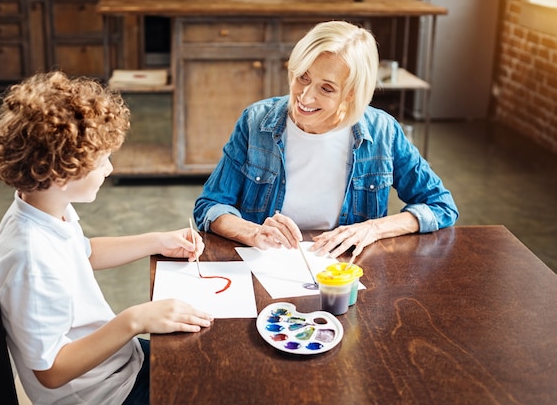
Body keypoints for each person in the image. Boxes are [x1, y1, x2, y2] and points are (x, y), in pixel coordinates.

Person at [0, 71, 213, 405]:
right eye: (101, 159)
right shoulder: (30, 257)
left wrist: (156, 241)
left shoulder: (42, 207)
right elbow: (51, 372)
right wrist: (133, 320)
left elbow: (84, 252)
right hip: (103, 395)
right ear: (62, 172)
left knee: (206, 362)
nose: (109, 169)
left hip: (119, 364)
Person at [194, 20, 458, 259]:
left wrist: (373, 228)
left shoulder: (382, 131)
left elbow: (440, 206)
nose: (305, 98)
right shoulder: (255, 122)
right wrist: (252, 232)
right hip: (266, 267)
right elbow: (210, 206)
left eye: (326, 88)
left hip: (344, 272)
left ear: (351, 94)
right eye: (302, 78)